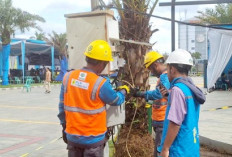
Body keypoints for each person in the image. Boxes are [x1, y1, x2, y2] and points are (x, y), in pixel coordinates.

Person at [57, 40, 129, 157]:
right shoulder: (100, 83)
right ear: (102, 63)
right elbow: (116, 100)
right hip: (93, 141)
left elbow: (61, 106)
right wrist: (124, 91)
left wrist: (64, 126)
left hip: (72, 137)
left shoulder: (68, 77)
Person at [157, 49, 206, 157]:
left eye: (168, 68)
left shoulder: (177, 90)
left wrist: (165, 149)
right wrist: (169, 97)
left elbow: (175, 123)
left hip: (179, 149)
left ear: (172, 69)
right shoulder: (191, 88)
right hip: (190, 147)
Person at [133, 51, 170, 157]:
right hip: (161, 120)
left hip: (163, 120)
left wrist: (141, 94)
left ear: (155, 65)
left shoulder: (164, 77)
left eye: (150, 69)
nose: (151, 72)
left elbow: (159, 94)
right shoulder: (165, 77)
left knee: (160, 151)